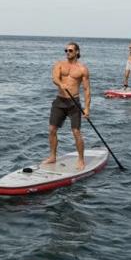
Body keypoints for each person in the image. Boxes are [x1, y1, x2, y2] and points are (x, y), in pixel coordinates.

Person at [42, 42, 91, 170]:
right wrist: (60, 84)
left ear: (77, 52)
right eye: (66, 50)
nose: (67, 53)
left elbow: (86, 89)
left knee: (76, 132)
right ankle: (53, 156)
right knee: (52, 129)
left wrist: (87, 108)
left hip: (74, 103)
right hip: (60, 101)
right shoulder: (59, 64)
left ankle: (81, 159)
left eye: (70, 50)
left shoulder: (82, 69)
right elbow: (54, 78)